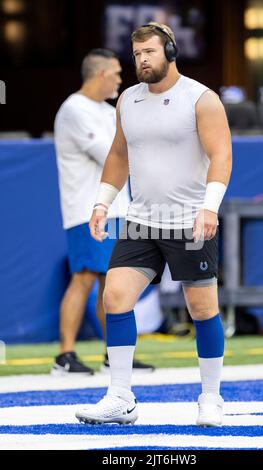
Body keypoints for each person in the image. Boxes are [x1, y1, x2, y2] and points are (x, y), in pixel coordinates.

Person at [75, 23, 232, 426]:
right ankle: (121, 396)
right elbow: (117, 154)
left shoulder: (201, 98)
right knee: (115, 297)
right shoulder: (127, 99)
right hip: (142, 220)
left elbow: (221, 155)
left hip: (190, 221)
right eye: (137, 54)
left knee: (202, 309)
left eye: (150, 52)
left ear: (171, 52)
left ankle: (211, 398)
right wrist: (101, 203)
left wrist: (210, 207)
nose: (142, 60)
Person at [53, 48, 155, 375]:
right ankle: (65, 356)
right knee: (83, 278)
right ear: (100, 74)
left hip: (116, 209)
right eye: (115, 73)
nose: (120, 79)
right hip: (87, 210)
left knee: (112, 283)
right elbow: (110, 155)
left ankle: (115, 355)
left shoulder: (107, 109)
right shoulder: (74, 110)